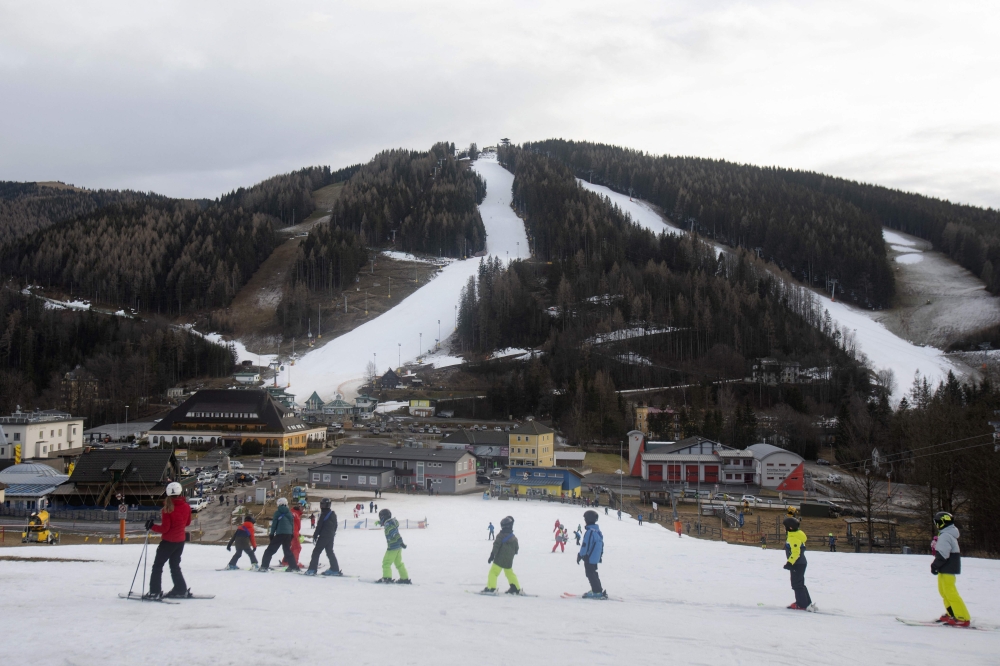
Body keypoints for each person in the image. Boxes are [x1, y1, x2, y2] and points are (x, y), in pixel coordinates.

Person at [143, 482, 192, 599]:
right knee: (174, 565)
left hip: (168, 542)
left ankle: (155, 591)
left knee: (157, 566)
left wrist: (152, 526)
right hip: (180, 541)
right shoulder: (186, 506)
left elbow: (165, 529)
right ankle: (180, 589)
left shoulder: (167, 508)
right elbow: (187, 523)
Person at [931, 511, 970, 627]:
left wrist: (934, 565)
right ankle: (952, 613)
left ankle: (962, 617)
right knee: (944, 592)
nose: (936, 525)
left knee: (950, 593)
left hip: (948, 568)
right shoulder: (945, 535)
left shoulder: (945, 536)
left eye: (937, 522)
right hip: (944, 568)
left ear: (942, 523)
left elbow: (943, 554)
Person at [484, 515, 522, 594]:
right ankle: (516, 588)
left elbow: (496, 546)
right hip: (509, 560)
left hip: (499, 559)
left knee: (493, 572)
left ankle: (491, 588)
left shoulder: (500, 536)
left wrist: (492, 555)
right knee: (509, 573)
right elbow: (516, 549)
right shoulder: (514, 538)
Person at [260, 498, 299, 572]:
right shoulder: (290, 513)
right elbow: (292, 524)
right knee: (287, 550)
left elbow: (274, 524)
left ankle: (264, 566)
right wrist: (291, 534)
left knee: (269, 551)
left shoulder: (277, 513)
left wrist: (271, 534)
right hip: (288, 534)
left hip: (280, 534)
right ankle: (294, 567)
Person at [783, 516, 813, 611]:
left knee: (796, 584)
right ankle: (806, 602)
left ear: (790, 528)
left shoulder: (793, 537)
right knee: (800, 583)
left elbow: (796, 552)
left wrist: (790, 563)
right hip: (801, 563)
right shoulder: (796, 535)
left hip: (797, 563)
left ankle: (802, 604)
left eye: (785, 527)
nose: (784, 529)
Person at [306, 498, 342, 576]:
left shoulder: (324, 514)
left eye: (322, 504)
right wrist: (332, 533)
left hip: (324, 536)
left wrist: (315, 535)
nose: (321, 506)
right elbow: (335, 525)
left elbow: (319, 526)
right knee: (329, 552)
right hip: (330, 536)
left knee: (316, 552)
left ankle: (312, 569)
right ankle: (334, 568)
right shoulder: (332, 514)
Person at [577, 510, 606, 599]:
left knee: (590, 573)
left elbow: (585, 545)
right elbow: (601, 544)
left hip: (589, 557)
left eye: (585, 519)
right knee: (593, 573)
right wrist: (599, 556)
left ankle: (597, 591)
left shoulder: (590, 532)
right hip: (594, 557)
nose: (585, 520)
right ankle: (597, 589)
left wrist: (580, 555)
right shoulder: (597, 531)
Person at [377, 508, 410, 583]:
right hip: (398, 547)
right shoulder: (391, 523)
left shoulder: (388, 526)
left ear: (383, 517)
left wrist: (401, 542)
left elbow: (395, 533)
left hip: (392, 547)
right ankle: (404, 578)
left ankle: (387, 578)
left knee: (386, 563)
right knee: (399, 563)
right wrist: (379, 522)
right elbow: (388, 525)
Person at [282, 501, 304, 568]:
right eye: (302, 507)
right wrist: (295, 533)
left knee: (292, 548)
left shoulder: (294, 512)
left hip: (292, 532)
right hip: (293, 533)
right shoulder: (294, 514)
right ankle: (294, 563)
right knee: (297, 548)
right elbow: (292, 524)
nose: (303, 509)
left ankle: (286, 561)